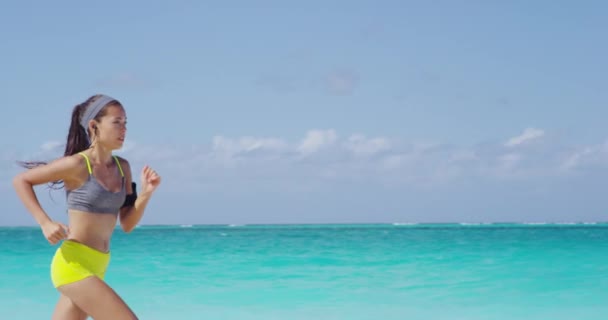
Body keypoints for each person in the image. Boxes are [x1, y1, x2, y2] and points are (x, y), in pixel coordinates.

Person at [12, 94, 161, 320]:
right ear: (94, 126)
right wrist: (45, 223)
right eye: (116, 122)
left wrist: (147, 193)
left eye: (125, 123)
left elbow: (128, 223)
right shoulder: (77, 165)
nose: (124, 129)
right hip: (73, 264)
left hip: (99, 264)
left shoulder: (123, 168)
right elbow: (21, 181)